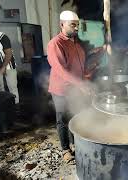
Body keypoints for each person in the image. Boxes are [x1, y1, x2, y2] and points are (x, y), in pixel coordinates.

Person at [47, 10, 90, 164]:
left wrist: (86, 77)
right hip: (61, 90)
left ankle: (75, 144)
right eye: (73, 25)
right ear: (62, 24)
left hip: (75, 89)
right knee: (63, 119)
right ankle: (65, 150)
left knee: (76, 116)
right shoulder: (56, 43)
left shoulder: (77, 44)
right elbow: (60, 69)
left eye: (77, 25)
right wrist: (80, 84)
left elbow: (80, 67)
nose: (76, 28)